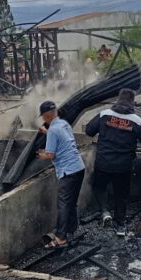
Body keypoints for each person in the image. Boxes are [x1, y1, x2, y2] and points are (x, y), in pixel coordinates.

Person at [85, 89, 141, 235]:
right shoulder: (137, 121)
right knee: (121, 195)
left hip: (103, 163)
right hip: (124, 167)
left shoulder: (104, 115)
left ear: (118, 100)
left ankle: (104, 212)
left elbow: (89, 130)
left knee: (99, 187)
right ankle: (120, 225)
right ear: (133, 102)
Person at [36, 101, 85, 248]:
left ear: (46, 116)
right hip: (79, 167)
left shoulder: (53, 131)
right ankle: (72, 229)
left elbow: (50, 154)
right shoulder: (63, 124)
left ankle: (60, 238)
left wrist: (42, 155)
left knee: (63, 204)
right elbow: (63, 138)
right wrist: (47, 132)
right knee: (71, 202)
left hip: (68, 171)